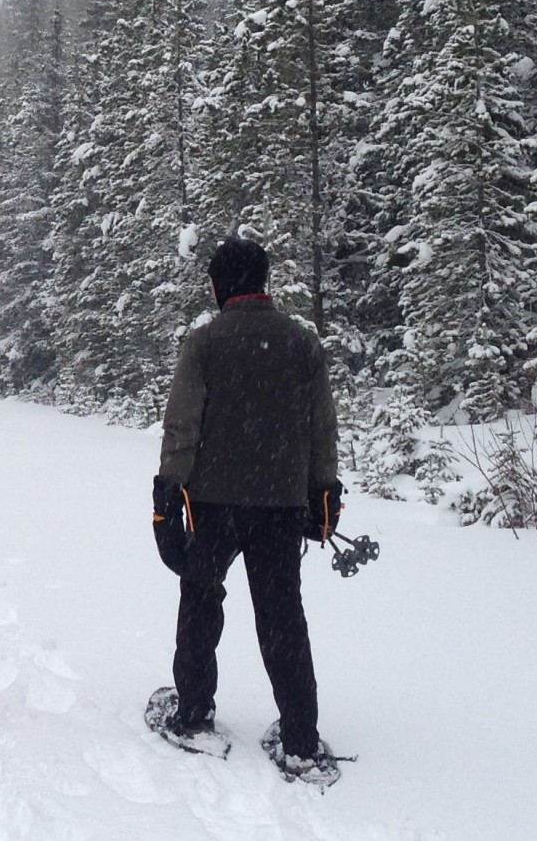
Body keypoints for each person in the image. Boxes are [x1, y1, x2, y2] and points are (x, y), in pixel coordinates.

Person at [151, 236, 343, 783]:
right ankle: (301, 738)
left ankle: (192, 714)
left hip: (213, 502)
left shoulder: (205, 344)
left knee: (201, 600)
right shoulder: (302, 344)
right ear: (261, 282)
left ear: (222, 284)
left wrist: (167, 497)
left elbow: (182, 428)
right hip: (281, 504)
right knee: (283, 615)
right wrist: (322, 492)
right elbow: (321, 430)